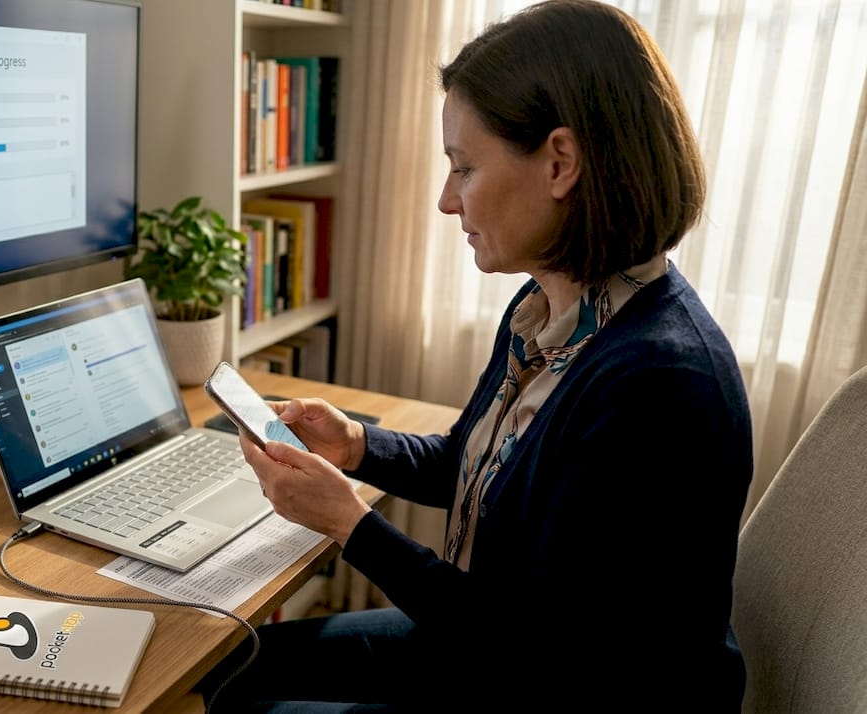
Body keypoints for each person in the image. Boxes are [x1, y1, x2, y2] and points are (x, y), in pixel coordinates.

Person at [203, 1, 754, 711]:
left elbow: (527, 648)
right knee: (240, 668)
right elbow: (474, 463)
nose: (444, 200)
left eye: (463, 168)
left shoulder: (657, 382)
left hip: (550, 683)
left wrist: (348, 522)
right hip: (501, 645)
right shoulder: (550, 308)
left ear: (561, 162)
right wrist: (356, 446)